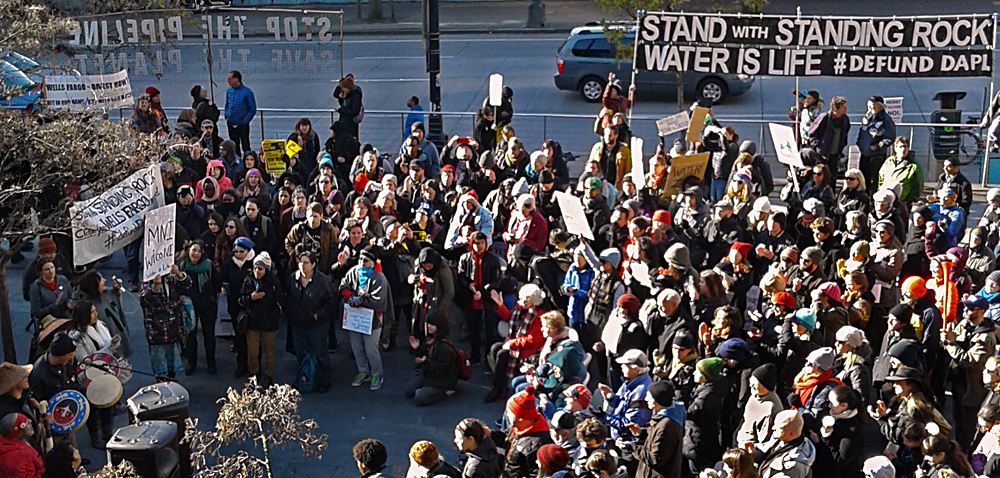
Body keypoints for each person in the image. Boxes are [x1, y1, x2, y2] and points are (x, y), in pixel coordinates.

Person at [942, 295, 996, 447]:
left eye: (971, 309)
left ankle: (968, 454)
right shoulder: (963, 325)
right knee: (957, 419)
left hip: (972, 387)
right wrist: (946, 339)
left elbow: (971, 361)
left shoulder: (985, 337)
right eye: (964, 307)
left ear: (981, 311)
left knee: (969, 425)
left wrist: (951, 343)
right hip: (958, 381)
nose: (965, 311)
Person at [65, 300, 114, 448]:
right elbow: (84, 359)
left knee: (107, 403)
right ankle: (95, 437)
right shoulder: (76, 335)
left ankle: (107, 432)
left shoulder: (100, 325)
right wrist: (107, 350)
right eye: (92, 312)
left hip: (105, 371)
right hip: (88, 376)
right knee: (92, 408)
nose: (96, 314)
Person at [286, 250, 335, 393]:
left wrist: (317, 316)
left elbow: (331, 303)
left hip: (317, 325)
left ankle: (325, 381)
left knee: (320, 353)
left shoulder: (322, 280)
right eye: (300, 262)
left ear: (313, 264)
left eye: (306, 262)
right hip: (298, 324)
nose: (302, 265)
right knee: (301, 353)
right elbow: (288, 297)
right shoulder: (293, 278)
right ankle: (303, 377)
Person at [456, 231, 503, 366]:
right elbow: (461, 276)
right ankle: (475, 356)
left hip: (487, 300)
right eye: (476, 243)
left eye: (482, 243)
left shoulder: (493, 259)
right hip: (471, 300)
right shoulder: (465, 258)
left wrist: (484, 291)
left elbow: (497, 279)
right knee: (473, 330)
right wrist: (469, 286)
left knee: (489, 331)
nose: (479, 246)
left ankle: (489, 359)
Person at [621, 381, 684, 478]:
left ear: (656, 400)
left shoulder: (667, 425)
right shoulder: (663, 418)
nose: (646, 399)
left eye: (648, 396)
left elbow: (654, 459)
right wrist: (640, 433)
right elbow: (656, 441)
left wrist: (631, 447)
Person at [139, 265, 190, 382]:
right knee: (159, 364)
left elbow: (187, 284)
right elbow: (145, 299)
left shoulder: (171, 278)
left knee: (172, 362)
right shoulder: (145, 282)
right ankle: (161, 382)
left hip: (172, 328)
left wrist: (178, 273)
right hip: (156, 330)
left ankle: (171, 379)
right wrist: (155, 286)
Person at [239, 252, 280, 388]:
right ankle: (254, 375)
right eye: (255, 268)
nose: (257, 271)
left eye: (260, 269)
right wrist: (251, 298)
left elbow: (280, 300)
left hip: (269, 322)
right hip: (253, 322)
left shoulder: (273, 282)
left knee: (269, 351)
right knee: (252, 352)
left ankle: (268, 376)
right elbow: (240, 300)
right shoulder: (248, 280)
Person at [498, 386, 553, 478]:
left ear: (520, 417)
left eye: (509, 412)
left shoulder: (536, 445)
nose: (506, 414)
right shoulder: (517, 427)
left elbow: (535, 474)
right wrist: (489, 434)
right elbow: (506, 438)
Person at [406, 312, 458, 406]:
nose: (429, 326)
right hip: (430, 375)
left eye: (432, 324)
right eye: (428, 323)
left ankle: (445, 393)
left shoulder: (445, 347)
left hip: (443, 380)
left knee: (419, 399)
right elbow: (423, 355)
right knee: (409, 390)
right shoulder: (430, 340)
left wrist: (425, 361)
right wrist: (417, 348)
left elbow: (440, 369)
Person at [813, 387, 865, 478]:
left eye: (832, 403)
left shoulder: (852, 430)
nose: (829, 405)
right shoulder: (829, 414)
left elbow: (839, 460)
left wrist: (825, 439)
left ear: (844, 406)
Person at [748, 410, 816, 478]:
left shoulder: (794, 466)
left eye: (779, 427)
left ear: (791, 434)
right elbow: (766, 451)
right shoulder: (783, 438)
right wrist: (754, 452)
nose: (773, 428)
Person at [856, 95, 896, 192]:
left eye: (872, 106)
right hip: (864, 153)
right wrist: (859, 141)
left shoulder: (886, 119)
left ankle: (873, 200)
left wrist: (878, 146)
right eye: (869, 106)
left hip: (876, 155)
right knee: (863, 179)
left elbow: (890, 137)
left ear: (879, 106)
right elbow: (862, 131)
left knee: (874, 180)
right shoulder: (867, 118)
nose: (870, 109)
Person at [807, 95, 850, 174]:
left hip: (835, 154)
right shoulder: (824, 118)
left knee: (833, 175)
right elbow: (812, 132)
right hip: (823, 154)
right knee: (822, 175)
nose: (845, 109)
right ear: (835, 108)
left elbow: (845, 132)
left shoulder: (845, 119)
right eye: (843, 107)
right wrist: (818, 147)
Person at [21, 238, 72, 303]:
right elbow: (26, 294)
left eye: (54, 252)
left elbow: (70, 277)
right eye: (48, 253)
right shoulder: (31, 269)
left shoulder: (60, 259)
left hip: (62, 301)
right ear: (40, 254)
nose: (52, 255)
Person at [878, 136, 923, 206]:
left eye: (905, 147)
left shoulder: (914, 166)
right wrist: (881, 192)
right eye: (901, 147)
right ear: (895, 148)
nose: (903, 149)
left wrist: (908, 201)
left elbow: (918, 187)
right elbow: (881, 178)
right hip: (885, 201)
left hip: (901, 203)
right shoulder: (889, 161)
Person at [0, 413, 43, 478]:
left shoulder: (6, 444)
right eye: (26, 423)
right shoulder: (21, 458)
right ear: (17, 432)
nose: (30, 421)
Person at [224, 70, 256, 155]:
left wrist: (245, 121)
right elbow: (227, 104)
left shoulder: (247, 92)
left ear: (236, 79)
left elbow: (252, 109)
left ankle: (248, 160)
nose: (228, 81)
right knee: (234, 145)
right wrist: (227, 116)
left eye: (229, 79)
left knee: (245, 144)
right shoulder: (229, 91)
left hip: (242, 124)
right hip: (231, 123)